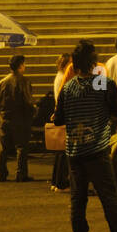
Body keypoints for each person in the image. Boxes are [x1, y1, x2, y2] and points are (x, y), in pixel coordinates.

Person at [53, 40, 117, 232]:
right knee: (109, 197)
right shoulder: (102, 83)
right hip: (96, 149)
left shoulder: (68, 87)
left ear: (75, 67)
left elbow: (58, 119)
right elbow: (116, 109)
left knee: (78, 200)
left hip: (74, 151)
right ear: (94, 63)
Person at [0, 54, 35, 182]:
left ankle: (1, 172)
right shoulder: (24, 81)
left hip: (5, 117)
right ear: (20, 65)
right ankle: (21, 173)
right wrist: (33, 112)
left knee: (4, 147)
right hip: (20, 118)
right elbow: (27, 101)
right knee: (21, 147)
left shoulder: (1, 82)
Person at [49, 55, 71, 191]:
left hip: (61, 114)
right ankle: (61, 182)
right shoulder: (63, 78)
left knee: (60, 151)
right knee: (63, 151)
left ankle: (56, 181)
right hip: (65, 115)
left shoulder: (59, 76)